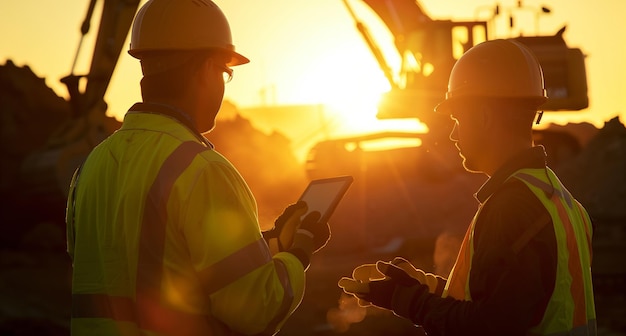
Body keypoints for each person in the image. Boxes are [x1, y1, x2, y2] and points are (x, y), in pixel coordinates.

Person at [65, 0, 330, 335]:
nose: (223, 83)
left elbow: (149, 259)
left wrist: (272, 244)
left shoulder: (90, 166)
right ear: (206, 69)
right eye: (226, 72)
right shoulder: (201, 169)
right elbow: (256, 309)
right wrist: (297, 254)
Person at [338, 39, 596, 335]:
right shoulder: (563, 202)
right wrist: (427, 287)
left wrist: (410, 301)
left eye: (457, 119)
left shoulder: (511, 208)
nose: (452, 134)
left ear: (484, 117)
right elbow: (509, 302)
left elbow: (488, 326)